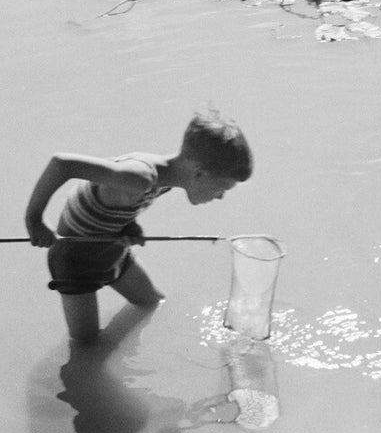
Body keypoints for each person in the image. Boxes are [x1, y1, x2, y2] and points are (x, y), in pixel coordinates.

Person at [25, 107, 253, 342]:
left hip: (111, 247)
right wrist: (35, 219)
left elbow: (109, 200)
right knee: (87, 343)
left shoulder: (166, 177)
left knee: (153, 304)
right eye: (222, 188)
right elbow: (61, 164)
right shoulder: (139, 176)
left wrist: (127, 225)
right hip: (75, 259)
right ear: (199, 172)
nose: (220, 196)